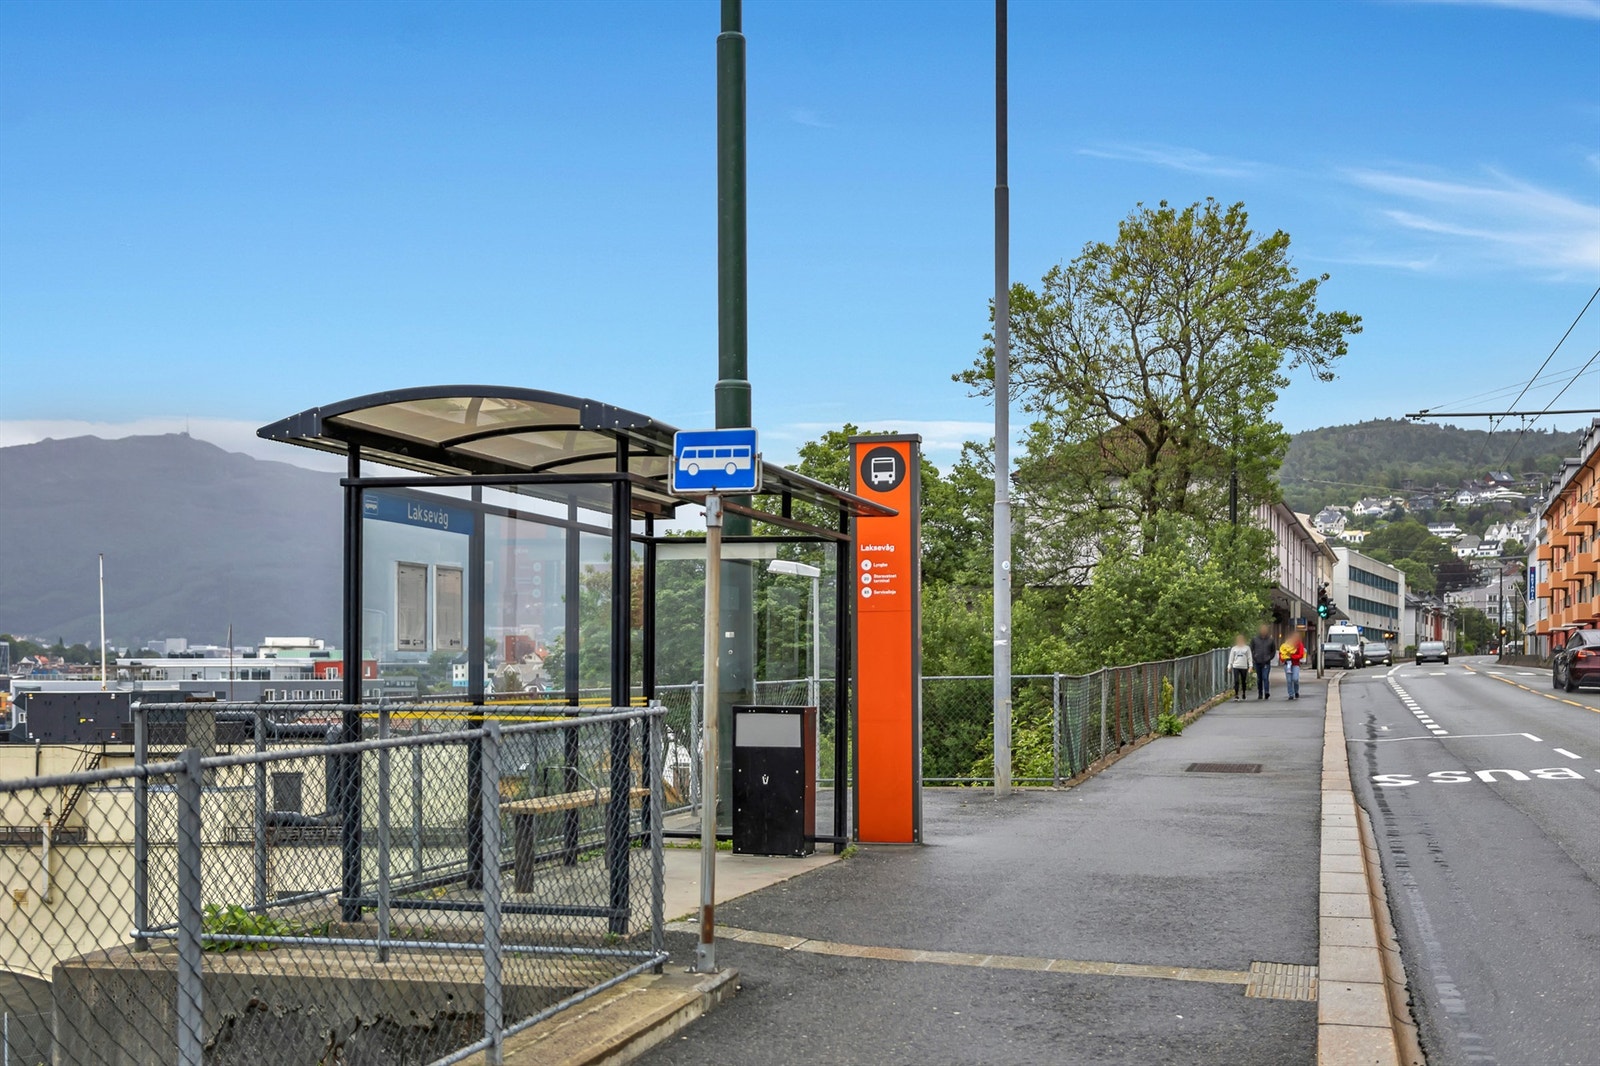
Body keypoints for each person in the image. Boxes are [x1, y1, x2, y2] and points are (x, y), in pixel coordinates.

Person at [1249, 625, 1276, 700]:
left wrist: (1269, 657)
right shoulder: (1255, 639)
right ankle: (1260, 693)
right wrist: (1254, 657)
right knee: (1259, 678)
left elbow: (1273, 650)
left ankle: (1266, 692)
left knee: (1265, 677)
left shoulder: (1270, 640)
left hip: (1266, 662)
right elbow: (1251, 649)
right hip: (1257, 661)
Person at [1279, 630, 1307, 701]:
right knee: (1289, 680)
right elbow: (1281, 653)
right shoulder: (1285, 644)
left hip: (1295, 664)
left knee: (1295, 679)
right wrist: (1283, 659)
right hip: (1287, 664)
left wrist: (1292, 656)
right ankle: (1291, 694)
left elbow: (1301, 655)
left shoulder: (1299, 644)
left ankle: (1296, 691)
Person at [1228, 634, 1252, 701]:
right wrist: (1229, 666)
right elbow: (1231, 658)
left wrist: (1250, 666)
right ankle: (1236, 695)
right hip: (1236, 666)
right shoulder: (1234, 648)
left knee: (1243, 681)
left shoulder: (1247, 648)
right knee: (1236, 681)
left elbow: (1249, 657)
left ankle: (1244, 693)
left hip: (1244, 666)